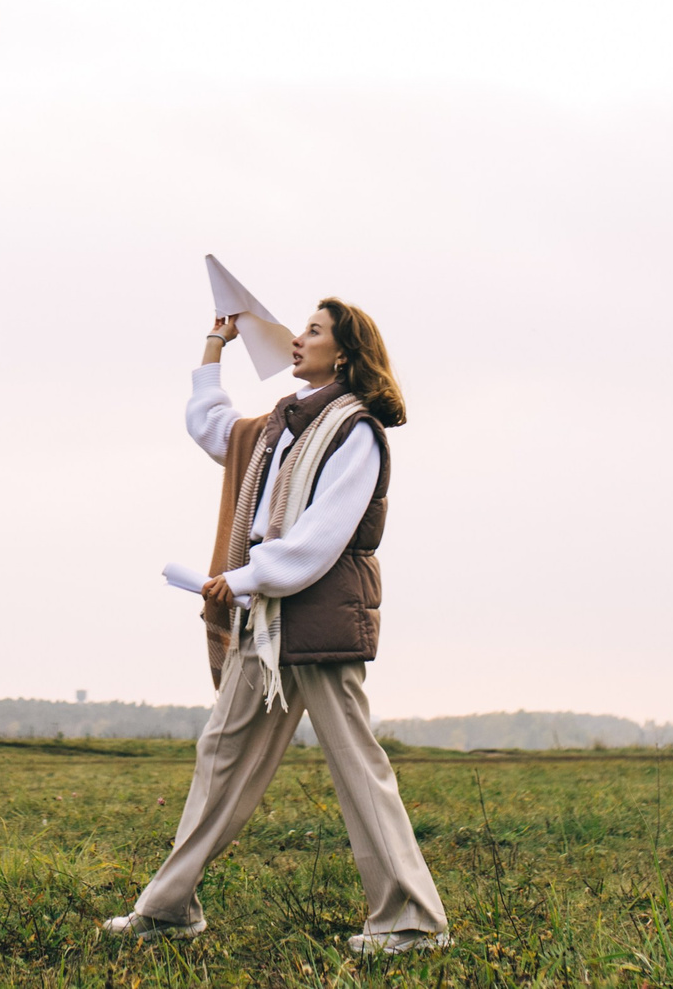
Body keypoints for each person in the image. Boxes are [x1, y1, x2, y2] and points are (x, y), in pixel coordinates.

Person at [104, 299, 452, 955]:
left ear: (344, 353)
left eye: (314, 331)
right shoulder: (278, 427)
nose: (296, 338)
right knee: (221, 755)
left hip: (317, 613)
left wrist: (238, 579)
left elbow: (320, 537)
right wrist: (215, 345)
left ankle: (411, 920)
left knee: (355, 763)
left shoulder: (357, 432)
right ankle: (169, 906)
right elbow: (211, 426)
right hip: (264, 614)